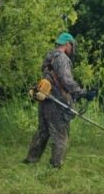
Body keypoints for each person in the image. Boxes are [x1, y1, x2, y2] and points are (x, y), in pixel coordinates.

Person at [24, 33, 97, 168]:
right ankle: (56, 165)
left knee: (43, 131)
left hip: (44, 98)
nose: (72, 49)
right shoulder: (62, 59)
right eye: (72, 46)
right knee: (60, 134)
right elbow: (66, 81)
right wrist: (84, 93)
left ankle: (31, 159)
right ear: (68, 44)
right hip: (57, 102)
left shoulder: (49, 57)